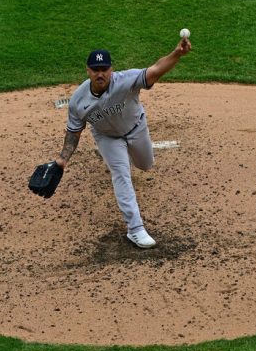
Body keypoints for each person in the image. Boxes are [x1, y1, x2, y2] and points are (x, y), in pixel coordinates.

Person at [54, 37, 192, 248]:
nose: (100, 73)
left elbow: (155, 70)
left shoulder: (126, 80)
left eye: (104, 69)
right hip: (107, 137)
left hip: (136, 127)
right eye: (95, 69)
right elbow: (74, 132)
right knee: (121, 172)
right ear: (87, 71)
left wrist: (176, 54)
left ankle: (122, 155)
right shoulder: (77, 101)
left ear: (111, 69)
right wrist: (62, 160)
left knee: (145, 165)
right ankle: (135, 229)